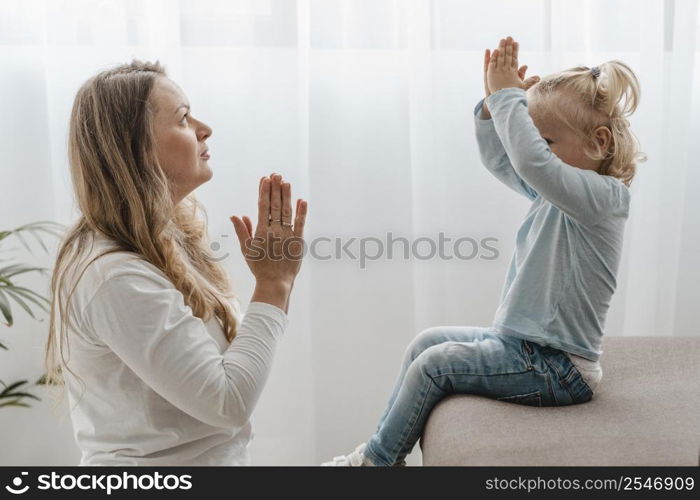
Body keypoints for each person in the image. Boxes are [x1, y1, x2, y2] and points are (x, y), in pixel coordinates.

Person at [323, 35, 645, 466]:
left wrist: (511, 96)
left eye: (546, 141)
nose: (537, 151)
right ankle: (386, 452)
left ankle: (376, 464)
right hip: (523, 346)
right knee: (426, 344)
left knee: (435, 366)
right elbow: (507, 161)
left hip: (559, 367)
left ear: (599, 142)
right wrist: (494, 107)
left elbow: (532, 163)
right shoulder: (559, 194)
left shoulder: (603, 199)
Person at [43, 60, 307, 466]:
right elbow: (228, 404)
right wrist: (274, 285)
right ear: (136, 146)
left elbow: (231, 373)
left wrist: (278, 280)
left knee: (426, 356)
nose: (204, 128)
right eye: (184, 118)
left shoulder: (160, 241)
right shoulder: (113, 276)